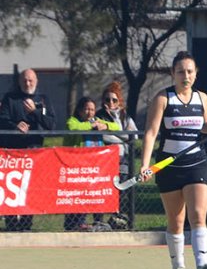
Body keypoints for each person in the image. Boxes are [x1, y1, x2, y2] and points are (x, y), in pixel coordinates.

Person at [140, 51, 207, 269]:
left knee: (198, 215)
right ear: (173, 74)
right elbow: (151, 133)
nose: (185, 76)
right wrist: (145, 166)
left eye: (190, 71)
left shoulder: (202, 98)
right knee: (176, 222)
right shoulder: (163, 99)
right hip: (169, 166)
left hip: (196, 163)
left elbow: (206, 123)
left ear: (196, 74)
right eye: (180, 72)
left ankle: (202, 266)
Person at [0, 68, 57, 231]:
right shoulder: (10, 99)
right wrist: (14, 126)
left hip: (34, 152)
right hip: (13, 152)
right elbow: (2, 120)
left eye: (30, 80)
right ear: (19, 82)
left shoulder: (43, 99)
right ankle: (11, 224)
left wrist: (35, 112)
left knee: (30, 189)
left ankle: (26, 224)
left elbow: (51, 125)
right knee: (12, 187)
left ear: (36, 81)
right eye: (24, 80)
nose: (27, 83)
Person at [64, 97, 121, 231]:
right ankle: (72, 224)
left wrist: (105, 125)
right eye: (87, 109)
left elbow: (116, 127)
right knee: (76, 196)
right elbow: (72, 127)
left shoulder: (95, 120)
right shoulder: (74, 121)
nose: (90, 113)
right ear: (80, 110)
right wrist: (91, 125)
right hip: (75, 166)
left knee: (92, 195)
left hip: (93, 166)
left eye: (92, 110)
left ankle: (89, 221)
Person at [96, 81, 138, 228]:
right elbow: (103, 137)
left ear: (119, 101)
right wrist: (119, 136)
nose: (110, 102)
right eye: (107, 99)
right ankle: (98, 220)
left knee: (121, 191)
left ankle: (117, 219)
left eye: (114, 100)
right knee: (101, 190)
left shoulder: (123, 116)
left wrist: (111, 126)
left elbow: (133, 136)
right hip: (103, 161)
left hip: (122, 160)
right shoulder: (98, 115)